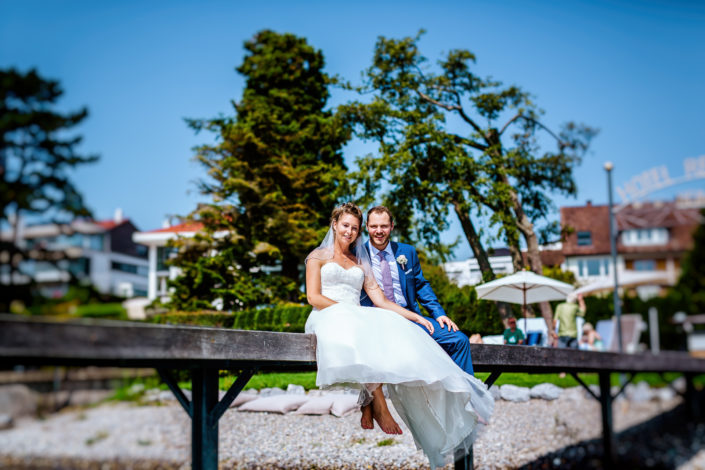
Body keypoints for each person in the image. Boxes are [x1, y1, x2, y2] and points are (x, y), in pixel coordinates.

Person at [305, 203, 493, 469]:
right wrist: (349, 312)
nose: (350, 231)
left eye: (354, 228)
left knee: (453, 338)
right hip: (334, 315)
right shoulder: (319, 256)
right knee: (372, 333)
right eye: (346, 225)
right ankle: (378, 404)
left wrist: (420, 317)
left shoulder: (363, 260)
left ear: (389, 227)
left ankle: (462, 398)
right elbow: (313, 297)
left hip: (372, 316)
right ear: (334, 224)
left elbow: (386, 298)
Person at [360, 206, 475, 375]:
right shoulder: (358, 255)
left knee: (459, 340)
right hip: (377, 320)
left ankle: (462, 390)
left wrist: (438, 314)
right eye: (374, 226)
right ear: (367, 227)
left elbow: (420, 285)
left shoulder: (407, 252)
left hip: (410, 317)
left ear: (392, 226)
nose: (379, 231)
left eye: (384, 226)